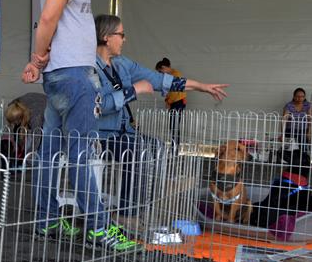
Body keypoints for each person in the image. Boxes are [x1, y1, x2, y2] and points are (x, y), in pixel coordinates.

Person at [20, 0, 139, 250]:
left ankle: (46, 220)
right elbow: (49, 17)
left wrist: (40, 62)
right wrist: (38, 56)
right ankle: (99, 228)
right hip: (74, 76)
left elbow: (57, 21)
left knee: (50, 152)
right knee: (81, 152)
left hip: (63, 73)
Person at [94, 15, 228, 215]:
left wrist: (201, 86)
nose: (124, 39)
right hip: (100, 136)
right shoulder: (88, 67)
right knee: (138, 150)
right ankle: (127, 214)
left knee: (157, 146)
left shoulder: (122, 64)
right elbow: (97, 106)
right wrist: (133, 90)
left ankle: (152, 197)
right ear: (106, 37)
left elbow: (160, 80)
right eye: (121, 34)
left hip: (124, 132)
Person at [155, 57, 186, 143]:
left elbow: (174, 91)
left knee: (174, 126)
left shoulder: (176, 74)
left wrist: (168, 102)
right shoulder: (169, 75)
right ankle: (174, 146)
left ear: (164, 68)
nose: (161, 74)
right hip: (173, 102)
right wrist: (167, 100)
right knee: (172, 126)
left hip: (178, 102)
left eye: (160, 72)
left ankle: (175, 147)